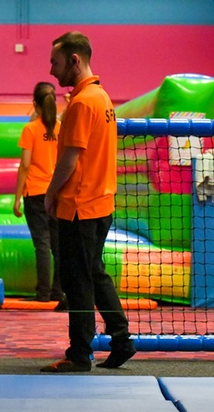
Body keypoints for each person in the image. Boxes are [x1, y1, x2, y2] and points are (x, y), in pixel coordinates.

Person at [41, 31, 135, 372]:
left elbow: (70, 158)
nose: (52, 70)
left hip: (81, 206)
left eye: (56, 62)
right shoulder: (102, 97)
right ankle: (119, 340)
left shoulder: (83, 102)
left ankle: (81, 353)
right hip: (100, 203)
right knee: (92, 274)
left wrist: (50, 193)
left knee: (79, 280)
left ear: (74, 60)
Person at [13, 82, 65, 306]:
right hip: (58, 192)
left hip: (35, 192)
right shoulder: (61, 128)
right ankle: (58, 292)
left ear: (35, 104)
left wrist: (17, 197)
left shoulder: (31, 129)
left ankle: (43, 293)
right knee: (58, 245)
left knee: (42, 244)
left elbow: (25, 165)